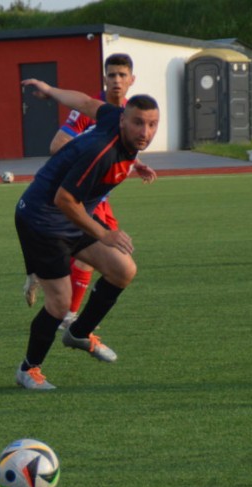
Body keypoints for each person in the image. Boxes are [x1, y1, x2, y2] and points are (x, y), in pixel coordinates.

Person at [14, 78, 159, 390]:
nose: (145, 132)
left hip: (71, 217)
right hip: (41, 220)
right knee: (60, 303)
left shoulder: (115, 121)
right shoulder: (101, 152)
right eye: (138, 123)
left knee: (123, 270)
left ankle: (79, 333)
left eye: (152, 125)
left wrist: (50, 91)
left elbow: (84, 102)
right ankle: (28, 369)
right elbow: (64, 200)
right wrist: (104, 234)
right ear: (123, 120)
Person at [24, 54, 156, 319]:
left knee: (110, 259)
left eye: (122, 75)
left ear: (132, 80)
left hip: (98, 198)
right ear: (104, 79)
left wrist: (136, 163)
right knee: (97, 255)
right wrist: (88, 158)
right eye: (111, 75)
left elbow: (122, 148)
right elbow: (57, 145)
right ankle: (70, 317)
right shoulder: (91, 109)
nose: (116, 81)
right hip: (78, 195)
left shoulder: (131, 112)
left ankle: (61, 302)